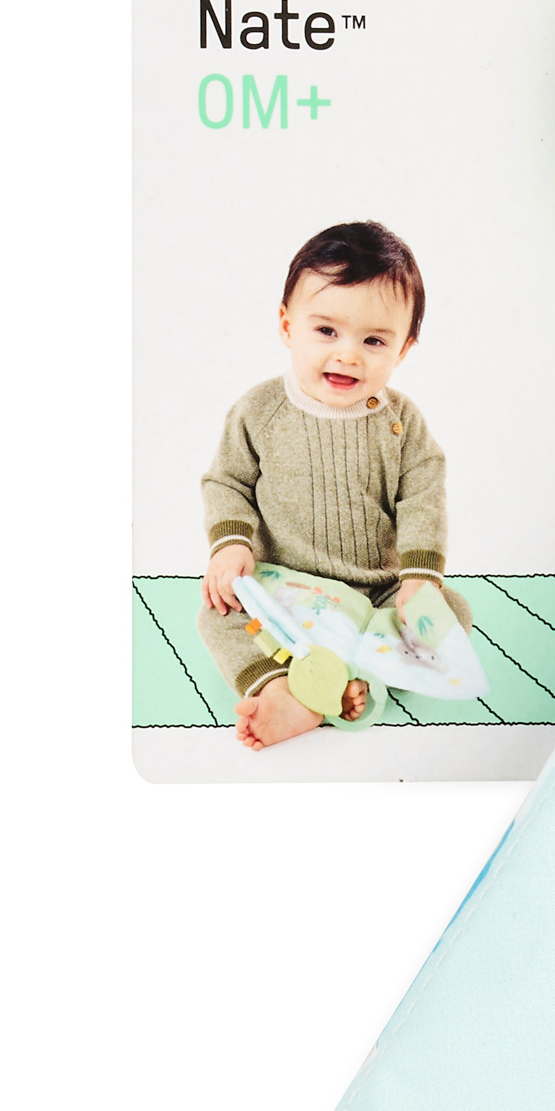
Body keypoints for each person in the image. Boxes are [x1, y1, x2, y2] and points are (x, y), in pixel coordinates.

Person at [198, 219, 452, 748]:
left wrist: (418, 579)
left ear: (404, 349)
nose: (348, 354)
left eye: (374, 340)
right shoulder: (259, 411)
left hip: (376, 592)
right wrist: (231, 545)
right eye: (326, 331)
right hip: (280, 588)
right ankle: (282, 690)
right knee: (218, 614)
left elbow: (423, 496)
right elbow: (227, 481)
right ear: (288, 325)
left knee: (450, 615)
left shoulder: (402, 423)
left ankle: (357, 677)